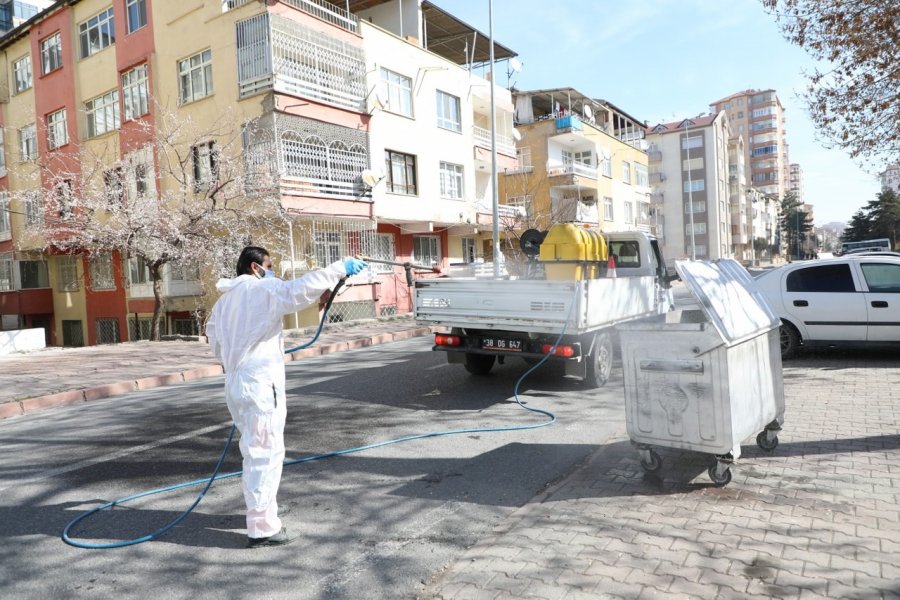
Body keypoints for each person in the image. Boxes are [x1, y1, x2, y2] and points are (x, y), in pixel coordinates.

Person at [206, 246, 366, 548]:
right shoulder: (263, 289)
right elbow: (297, 291)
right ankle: (262, 528)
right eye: (269, 265)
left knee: (254, 451)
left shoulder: (224, 302)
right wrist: (338, 268)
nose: (273, 271)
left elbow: (214, 341)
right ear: (255, 267)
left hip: (236, 383)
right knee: (264, 455)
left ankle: (261, 515)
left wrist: (241, 356)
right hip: (260, 384)